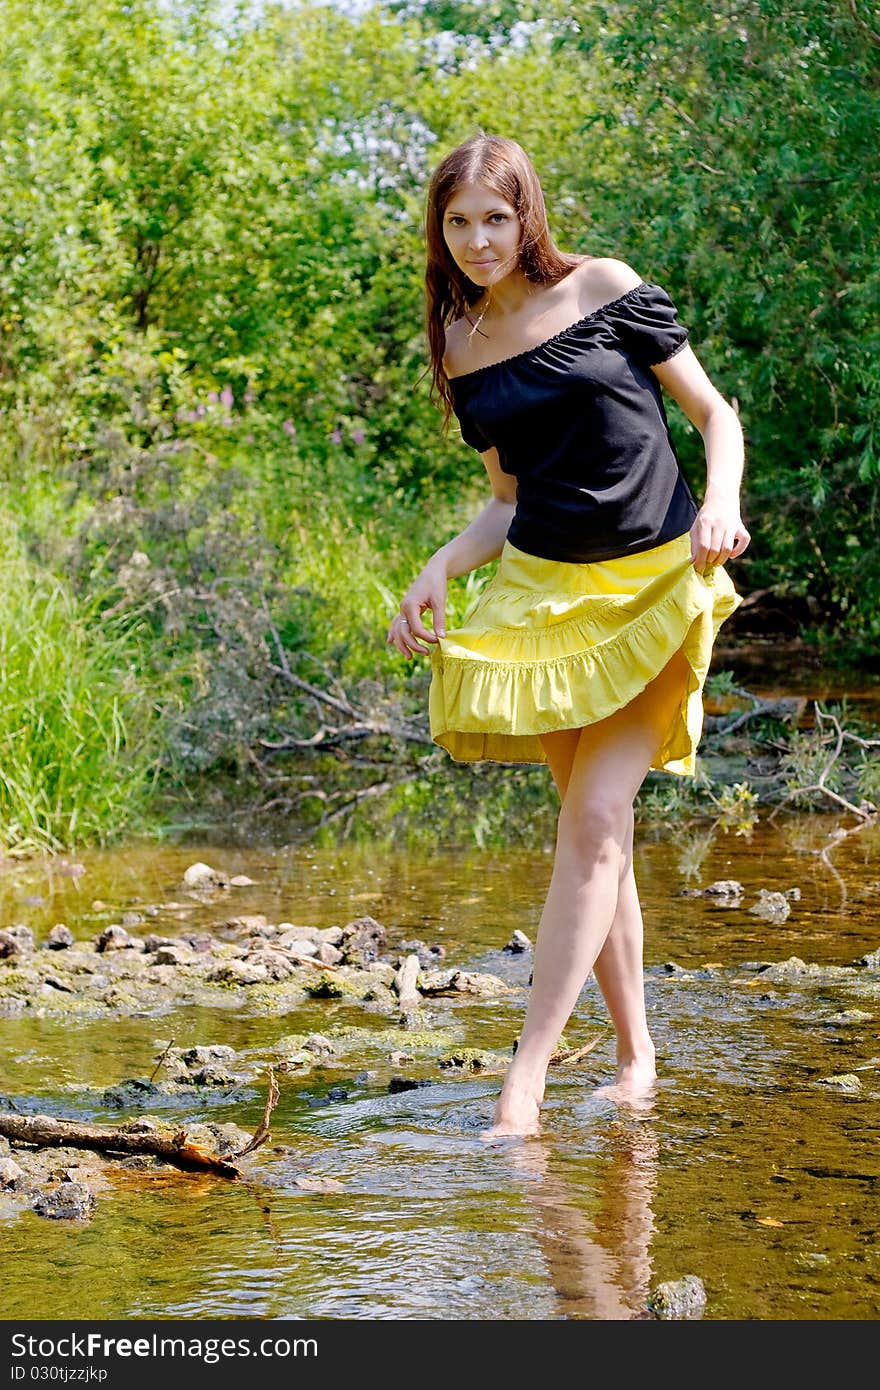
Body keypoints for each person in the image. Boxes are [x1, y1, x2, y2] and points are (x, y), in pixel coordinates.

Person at [385, 134, 750, 1139]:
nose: (476, 240)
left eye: (494, 218)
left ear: (526, 215)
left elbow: (715, 415)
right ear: (439, 231)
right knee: (600, 840)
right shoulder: (460, 345)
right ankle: (636, 1058)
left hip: (656, 584)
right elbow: (505, 503)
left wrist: (718, 503)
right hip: (541, 597)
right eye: (456, 223)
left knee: (592, 821)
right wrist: (439, 567)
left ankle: (524, 1085)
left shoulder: (607, 289)